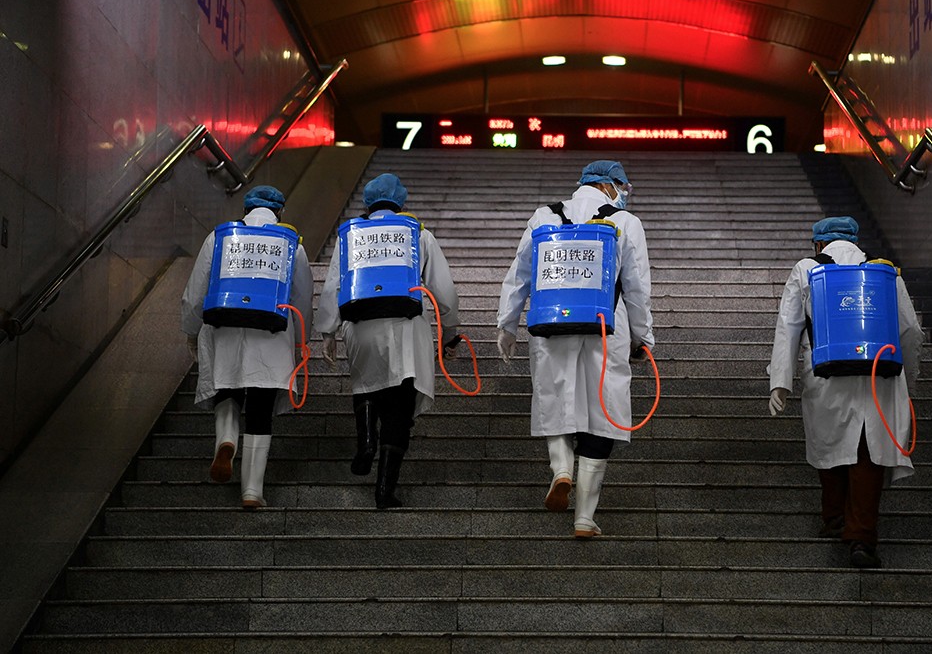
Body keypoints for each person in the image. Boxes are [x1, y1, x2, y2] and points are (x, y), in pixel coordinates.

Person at [497, 159, 655, 538]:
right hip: (605, 326)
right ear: (608, 186)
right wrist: (642, 338)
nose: (623, 195)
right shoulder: (625, 222)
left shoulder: (544, 216)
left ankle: (561, 468)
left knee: (553, 396)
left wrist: (507, 325)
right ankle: (585, 516)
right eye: (622, 188)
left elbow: (520, 274)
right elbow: (637, 288)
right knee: (603, 411)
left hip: (550, 324)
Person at [767, 216, 922, 568]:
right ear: (855, 241)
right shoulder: (884, 272)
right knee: (869, 453)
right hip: (879, 377)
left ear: (818, 243)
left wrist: (780, 381)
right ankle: (862, 539)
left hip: (826, 376)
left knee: (830, 445)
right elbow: (911, 330)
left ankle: (835, 518)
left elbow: (788, 327)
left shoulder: (807, 268)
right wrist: (907, 380)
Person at [314, 173, 461, 509]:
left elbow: (334, 285)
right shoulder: (417, 233)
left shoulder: (351, 234)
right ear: (400, 200)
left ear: (368, 202)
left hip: (360, 326)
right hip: (407, 327)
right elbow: (445, 291)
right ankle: (384, 490)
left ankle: (366, 441)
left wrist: (328, 332)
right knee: (400, 408)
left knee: (367, 387)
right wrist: (450, 333)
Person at [180, 185, 313, 509]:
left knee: (227, 388)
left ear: (245, 209)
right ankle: (252, 491)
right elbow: (302, 298)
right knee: (260, 407)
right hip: (271, 333)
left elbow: (196, 291)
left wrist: (191, 331)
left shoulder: (220, 237)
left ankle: (226, 439)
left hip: (223, 327)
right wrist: (301, 341)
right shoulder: (291, 244)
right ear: (279, 211)